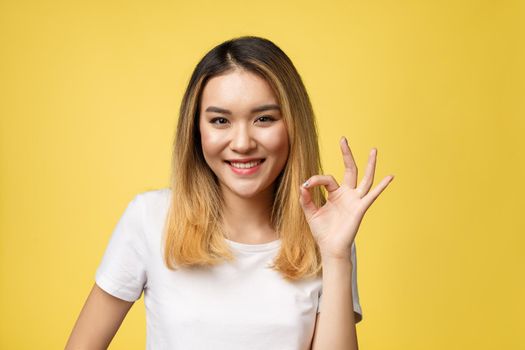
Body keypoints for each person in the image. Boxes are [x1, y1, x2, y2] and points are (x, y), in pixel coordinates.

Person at [65, 35, 394, 350]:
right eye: (220, 121)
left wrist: (336, 256)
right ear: (196, 130)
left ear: (293, 125)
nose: (242, 143)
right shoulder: (150, 219)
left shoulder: (326, 235)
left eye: (264, 118)